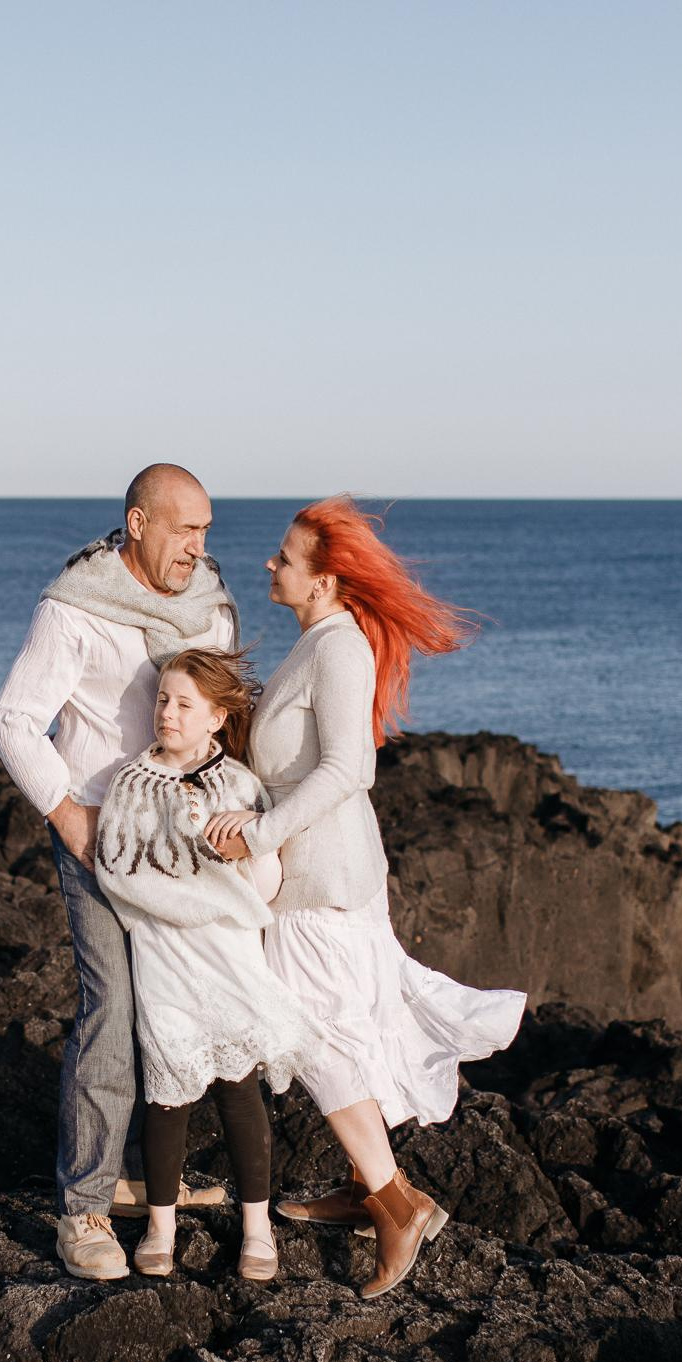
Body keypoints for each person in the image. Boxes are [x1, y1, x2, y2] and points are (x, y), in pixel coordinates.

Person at [205, 496, 526, 1298]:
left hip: (324, 879)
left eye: (284, 557)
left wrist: (261, 831)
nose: (269, 566)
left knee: (310, 1032)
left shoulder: (338, 647)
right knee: (337, 1027)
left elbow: (351, 768)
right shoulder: (315, 642)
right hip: (313, 878)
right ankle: (362, 1181)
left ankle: (397, 1203)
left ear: (325, 577)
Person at [0, 464, 240, 1281]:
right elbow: (14, 719)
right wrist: (69, 814)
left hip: (184, 845)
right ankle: (85, 1205)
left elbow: (225, 715)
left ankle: (157, 1182)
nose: (199, 547)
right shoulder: (76, 606)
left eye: (206, 529)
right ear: (137, 524)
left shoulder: (209, 602)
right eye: (184, 530)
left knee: (185, 1005)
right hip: (99, 840)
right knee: (114, 1006)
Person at [93, 647, 315, 1283]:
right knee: (168, 1093)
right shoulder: (131, 782)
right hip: (163, 958)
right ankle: (160, 1227)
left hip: (230, 957)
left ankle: (256, 1226)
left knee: (238, 1090)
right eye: (163, 699)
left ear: (218, 717)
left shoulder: (242, 785)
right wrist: (201, 899)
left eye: (185, 704)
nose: (167, 712)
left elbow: (265, 880)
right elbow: (118, 872)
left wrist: (238, 858)